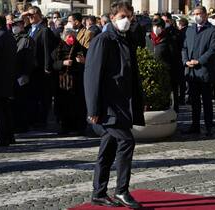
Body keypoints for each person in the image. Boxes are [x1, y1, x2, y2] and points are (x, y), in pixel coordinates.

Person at [84, 1, 144, 208]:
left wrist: (138, 100)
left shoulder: (125, 39)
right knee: (127, 142)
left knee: (108, 148)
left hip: (122, 103)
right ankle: (122, 190)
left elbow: (130, 75)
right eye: (122, 17)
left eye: (129, 16)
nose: (126, 20)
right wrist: (93, 109)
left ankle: (98, 192)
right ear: (112, 18)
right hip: (109, 105)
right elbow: (92, 77)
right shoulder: (103, 40)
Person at [181, 6, 215, 136]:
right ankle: (195, 125)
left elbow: (213, 50)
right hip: (191, 71)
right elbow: (184, 47)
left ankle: (209, 126)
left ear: (205, 15)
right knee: (194, 100)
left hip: (204, 70)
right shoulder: (190, 30)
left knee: (207, 100)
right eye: (194, 14)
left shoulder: (212, 30)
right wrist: (185, 61)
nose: (196, 16)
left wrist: (199, 61)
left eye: (199, 14)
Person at [22, 6, 56, 127]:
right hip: (31, 68)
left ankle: (41, 120)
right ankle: (33, 118)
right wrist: (24, 16)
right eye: (28, 16)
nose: (29, 18)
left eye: (31, 15)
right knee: (32, 95)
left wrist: (47, 68)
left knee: (42, 96)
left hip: (41, 69)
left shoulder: (44, 30)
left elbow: (47, 51)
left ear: (38, 15)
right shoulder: (30, 29)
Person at [52, 27, 87, 135]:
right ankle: (64, 127)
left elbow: (87, 62)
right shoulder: (58, 49)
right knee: (63, 106)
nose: (71, 38)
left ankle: (78, 128)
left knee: (77, 106)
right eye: (68, 36)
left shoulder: (80, 48)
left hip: (76, 82)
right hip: (62, 82)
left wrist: (81, 62)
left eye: (72, 36)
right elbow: (53, 64)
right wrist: (63, 63)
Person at [0, 15, 17, 146]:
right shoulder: (9, 36)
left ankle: (1, 137)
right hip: (7, 78)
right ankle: (10, 136)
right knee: (5, 109)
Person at [11, 18, 35, 133]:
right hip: (13, 74)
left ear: (21, 26)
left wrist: (26, 74)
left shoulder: (27, 39)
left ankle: (23, 125)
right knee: (15, 101)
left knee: (22, 101)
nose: (13, 27)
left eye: (16, 25)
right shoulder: (12, 37)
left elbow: (29, 59)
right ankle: (16, 123)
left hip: (22, 74)